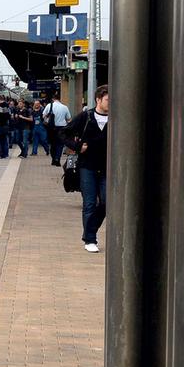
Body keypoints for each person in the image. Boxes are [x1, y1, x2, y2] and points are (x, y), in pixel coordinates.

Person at [64, 85, 109, 252]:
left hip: (106, 167)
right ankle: (90, 240)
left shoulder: (117, 118)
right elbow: (64, 133)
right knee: (89, 203)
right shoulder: (86, 116)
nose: (110, 102)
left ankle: (90, 232)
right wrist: (76, 146)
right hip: (87, 167)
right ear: (98, 99)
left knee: (106, 202)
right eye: (107, 99)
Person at [42, 93, 72, 166]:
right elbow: (69, 119)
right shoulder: (65, 107)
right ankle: (57, 159)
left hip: (51, 128)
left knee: (52, 144)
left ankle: (53, 159)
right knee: (60, 144)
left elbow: (43, 116)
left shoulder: (49, 106)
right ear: (60, 99)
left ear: (53, 99)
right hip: (62, 128)